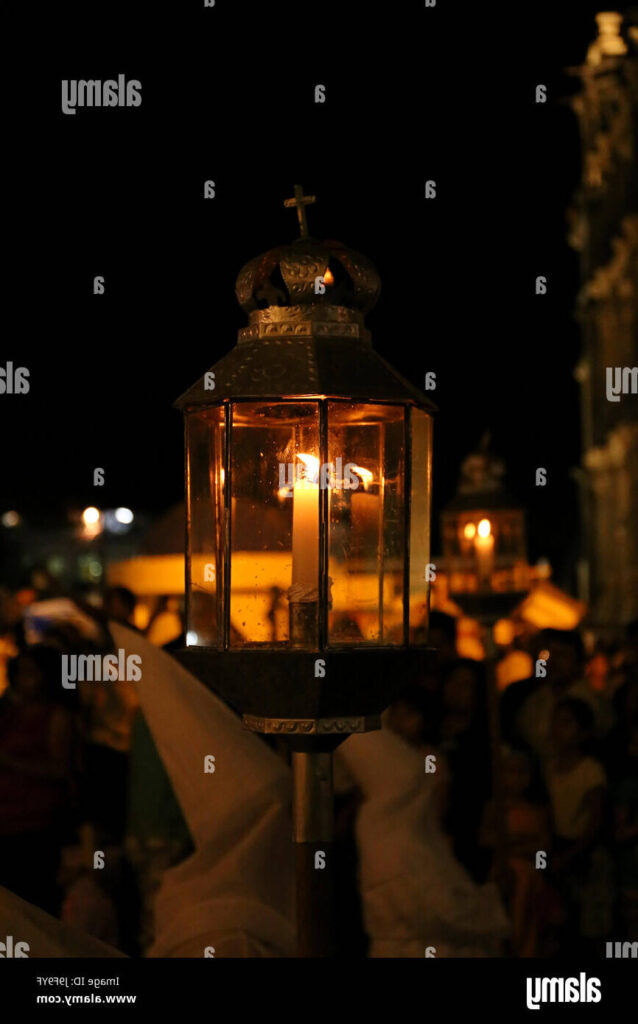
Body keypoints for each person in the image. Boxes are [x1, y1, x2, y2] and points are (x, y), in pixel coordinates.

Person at [0, 647, 77, 913]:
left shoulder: (56, 716)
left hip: (35, 824)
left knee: (33, 902)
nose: (24, 680)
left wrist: (12, 761)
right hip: (7, 821)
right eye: (20, 673)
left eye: (31, 673)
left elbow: (59, 769)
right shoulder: (11, 713)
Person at [545, 698, 613, 951]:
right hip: (559, 848)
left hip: (585, 851)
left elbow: (596, 821)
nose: (557, 729)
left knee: (591, 924)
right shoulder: (550, 768)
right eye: (556, 722)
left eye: (567, 723)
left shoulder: (590, 771)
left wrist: (572, 854)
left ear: (583, 732)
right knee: (562, 920)